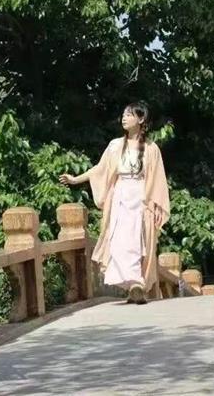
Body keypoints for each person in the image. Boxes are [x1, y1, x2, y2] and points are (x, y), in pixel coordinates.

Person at [60, 102, 170, 304]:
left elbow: (158, 180)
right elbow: (99, 169)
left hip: (141, 198)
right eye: (123, 114)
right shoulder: (115, 145)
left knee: (137, 242)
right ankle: (133, 286)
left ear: (141, 119)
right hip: (120, 197)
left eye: (129, 114)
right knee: (119, 242)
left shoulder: (151, 149)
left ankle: (136, 283)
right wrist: (75, 179)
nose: (124, 118)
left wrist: (155, 205)